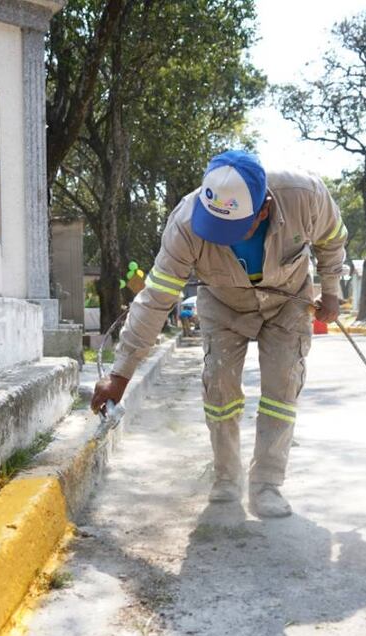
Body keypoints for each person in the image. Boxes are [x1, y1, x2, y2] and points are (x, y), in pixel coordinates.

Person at [91, 150, 347, 518]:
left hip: (288, 300)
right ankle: (227, 477)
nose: (221, 239)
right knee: (220, 387)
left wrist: (333, 290)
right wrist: (120, 374)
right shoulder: (186, 222)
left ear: (263, 209)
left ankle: (267, 485)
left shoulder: (304, 195)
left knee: (281, 387)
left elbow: (333, 238)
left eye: (232, 229)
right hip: (223, 304)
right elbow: (156, 297)